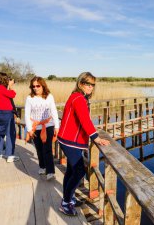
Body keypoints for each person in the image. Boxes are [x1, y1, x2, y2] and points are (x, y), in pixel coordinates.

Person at [57, 72, 110, 216]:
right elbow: (85, 120)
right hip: (70, 141)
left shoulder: (77, 96)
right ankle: (65, 203)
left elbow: (83, 120)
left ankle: (69, 197)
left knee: (71, 170)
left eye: (93, 84)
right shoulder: (79, 98)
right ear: (80, 84)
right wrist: (96, 138)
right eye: (87, 84)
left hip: (67, 139)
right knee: (79, 171)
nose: (90, 87)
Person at [25, 76, 59, 180]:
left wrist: (57, 126)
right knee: (39, 148)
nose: (35, 88)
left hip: (48, 125)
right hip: (36, 127)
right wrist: (29, 129)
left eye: (37, 86)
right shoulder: (29, 98)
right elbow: (27, 114)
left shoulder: (49, 96)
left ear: (42, 86)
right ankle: (42, 166)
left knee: (47, 148)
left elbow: (54, 111)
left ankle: (50, 172)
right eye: (33, 86)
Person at [0, 72, 19, 162]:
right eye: (7, 79)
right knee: (10, 134)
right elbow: (12, 94)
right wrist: (11, 87)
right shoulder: (1, 88)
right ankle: (9, 155)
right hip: (6, 113)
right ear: (3, 79)